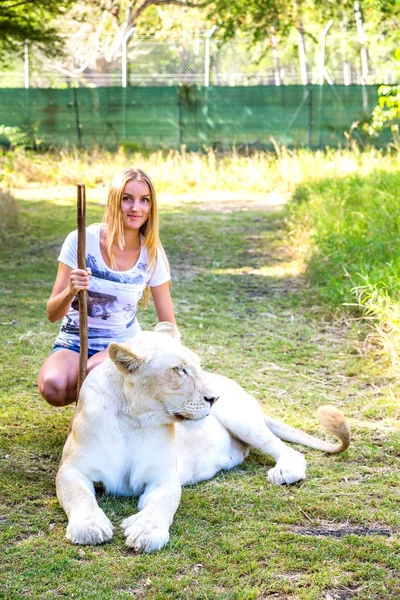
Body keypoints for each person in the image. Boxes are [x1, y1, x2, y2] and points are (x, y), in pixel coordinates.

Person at [38, 167, 176, 407]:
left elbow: (167, 321)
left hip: (123, 342)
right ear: (114, 201)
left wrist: (169, 360)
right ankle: (107, 401)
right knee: (54, 387)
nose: (136, 208)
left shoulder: (152, 253)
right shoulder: (81, 240)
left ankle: (106, 406)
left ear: (151, 207)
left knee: (93, 372)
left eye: (144, 200)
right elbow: (52, 313)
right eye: (127, 199)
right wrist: (71, 289)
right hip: (73, 340)